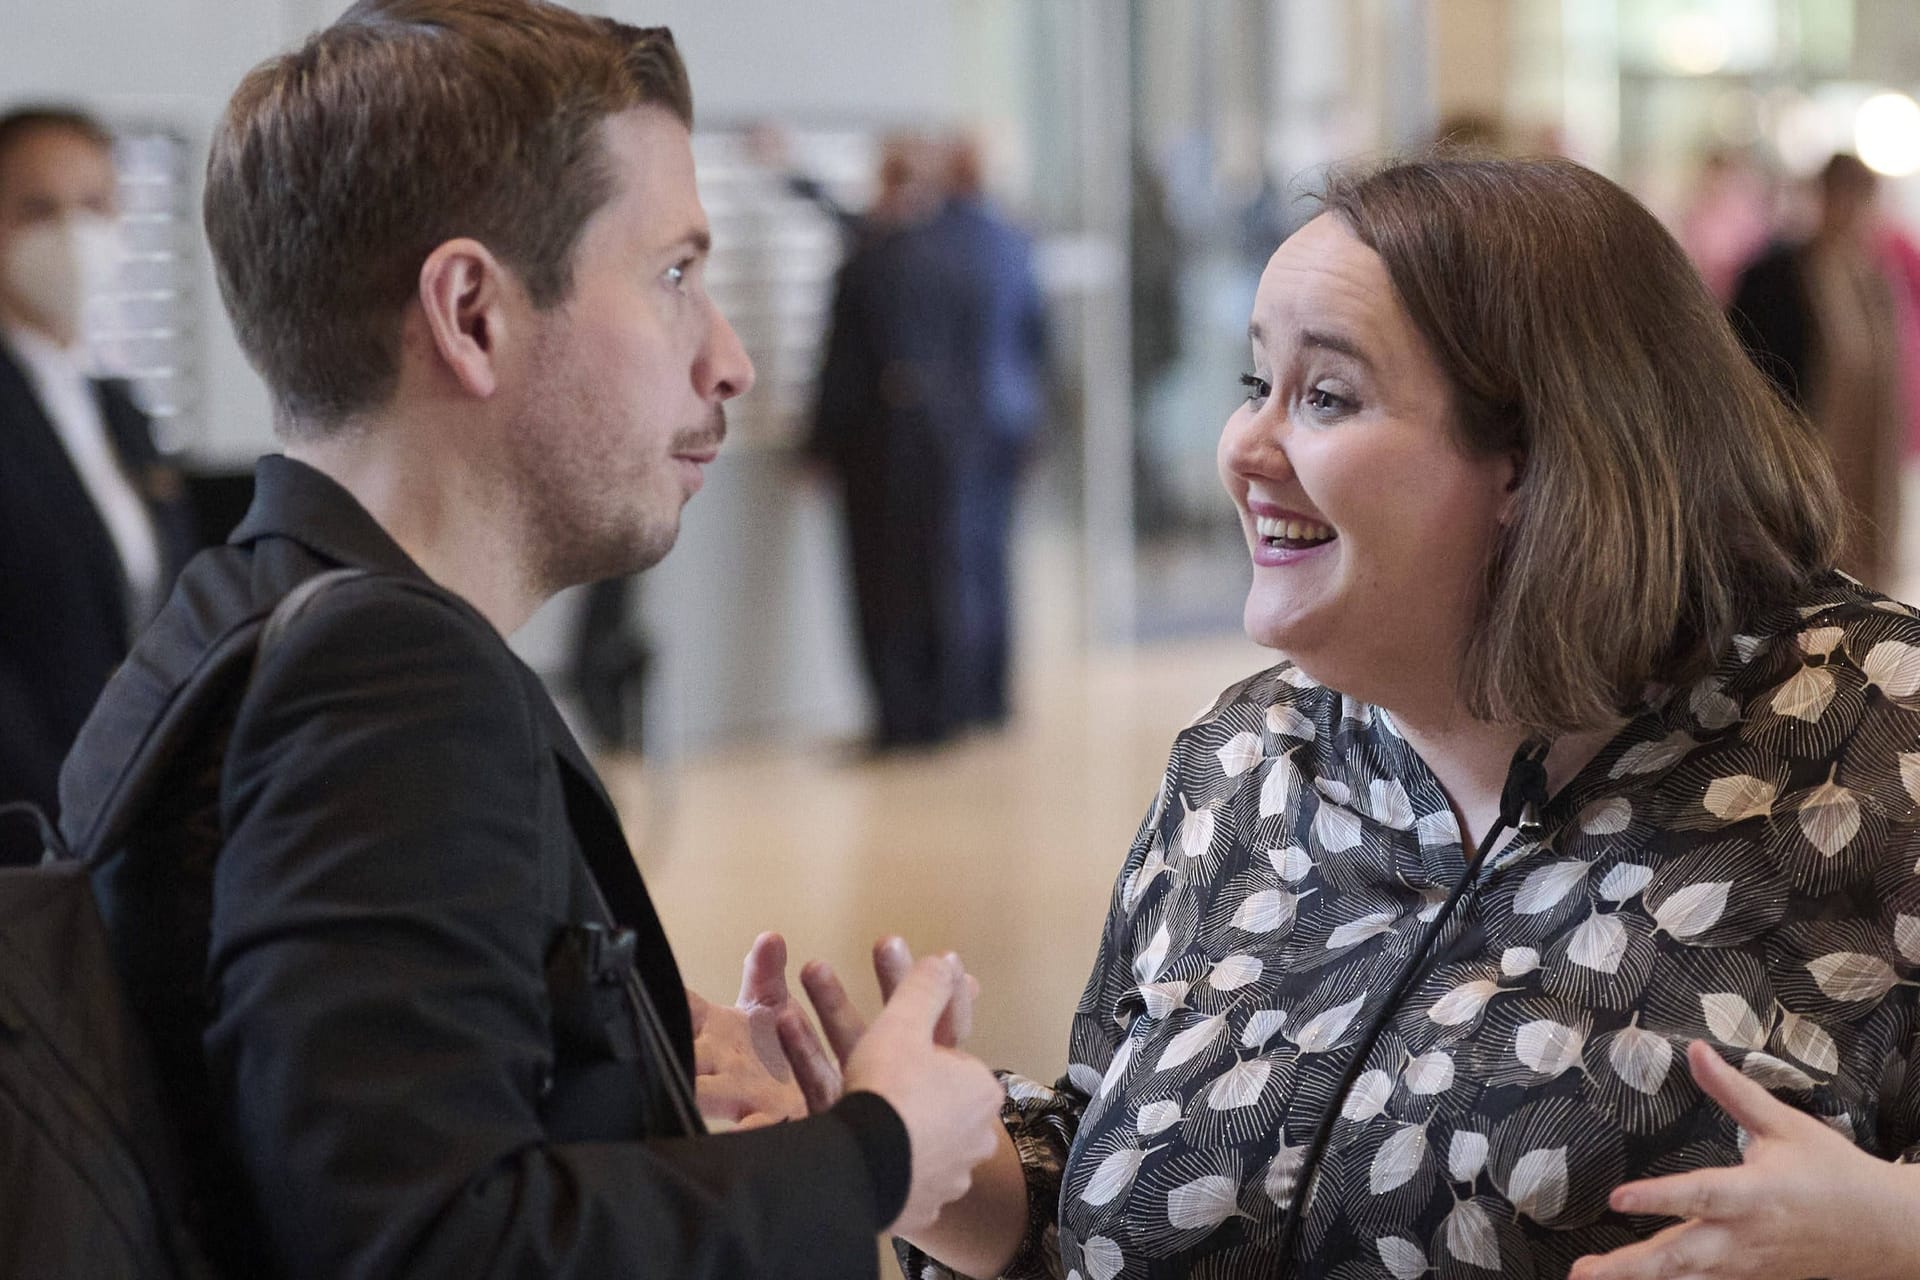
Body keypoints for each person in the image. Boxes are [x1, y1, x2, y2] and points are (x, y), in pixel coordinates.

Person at [756, 155, 1920, 1278]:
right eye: (1253, 384)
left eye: (1325, 395)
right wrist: (909, 1157)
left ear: (1535, 456)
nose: (1245, 448)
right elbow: (1101, 1207)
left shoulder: (1874, 739)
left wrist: (1894, 1231)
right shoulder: (1245, 763)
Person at [54, 4, 1004, 1277]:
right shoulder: (387, 686)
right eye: (673, 274)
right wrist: (878, 1153)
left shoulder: (238, 605)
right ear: (472, 312)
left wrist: (639, 1065)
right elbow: (433, 1243)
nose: (724, 358)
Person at [0, 105, 196, 865]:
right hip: (34, 834)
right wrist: (66, 808)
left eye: (94, 205)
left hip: (139, 818)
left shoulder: (119, 408)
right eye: (39, 208)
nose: (73, 234)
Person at [1730, 153, 1906, 586]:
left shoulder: (1874, 278)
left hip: (1866, 454)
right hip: (1803, 447)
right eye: (1841, 197)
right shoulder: (1774, 274)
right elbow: (1748, 365)